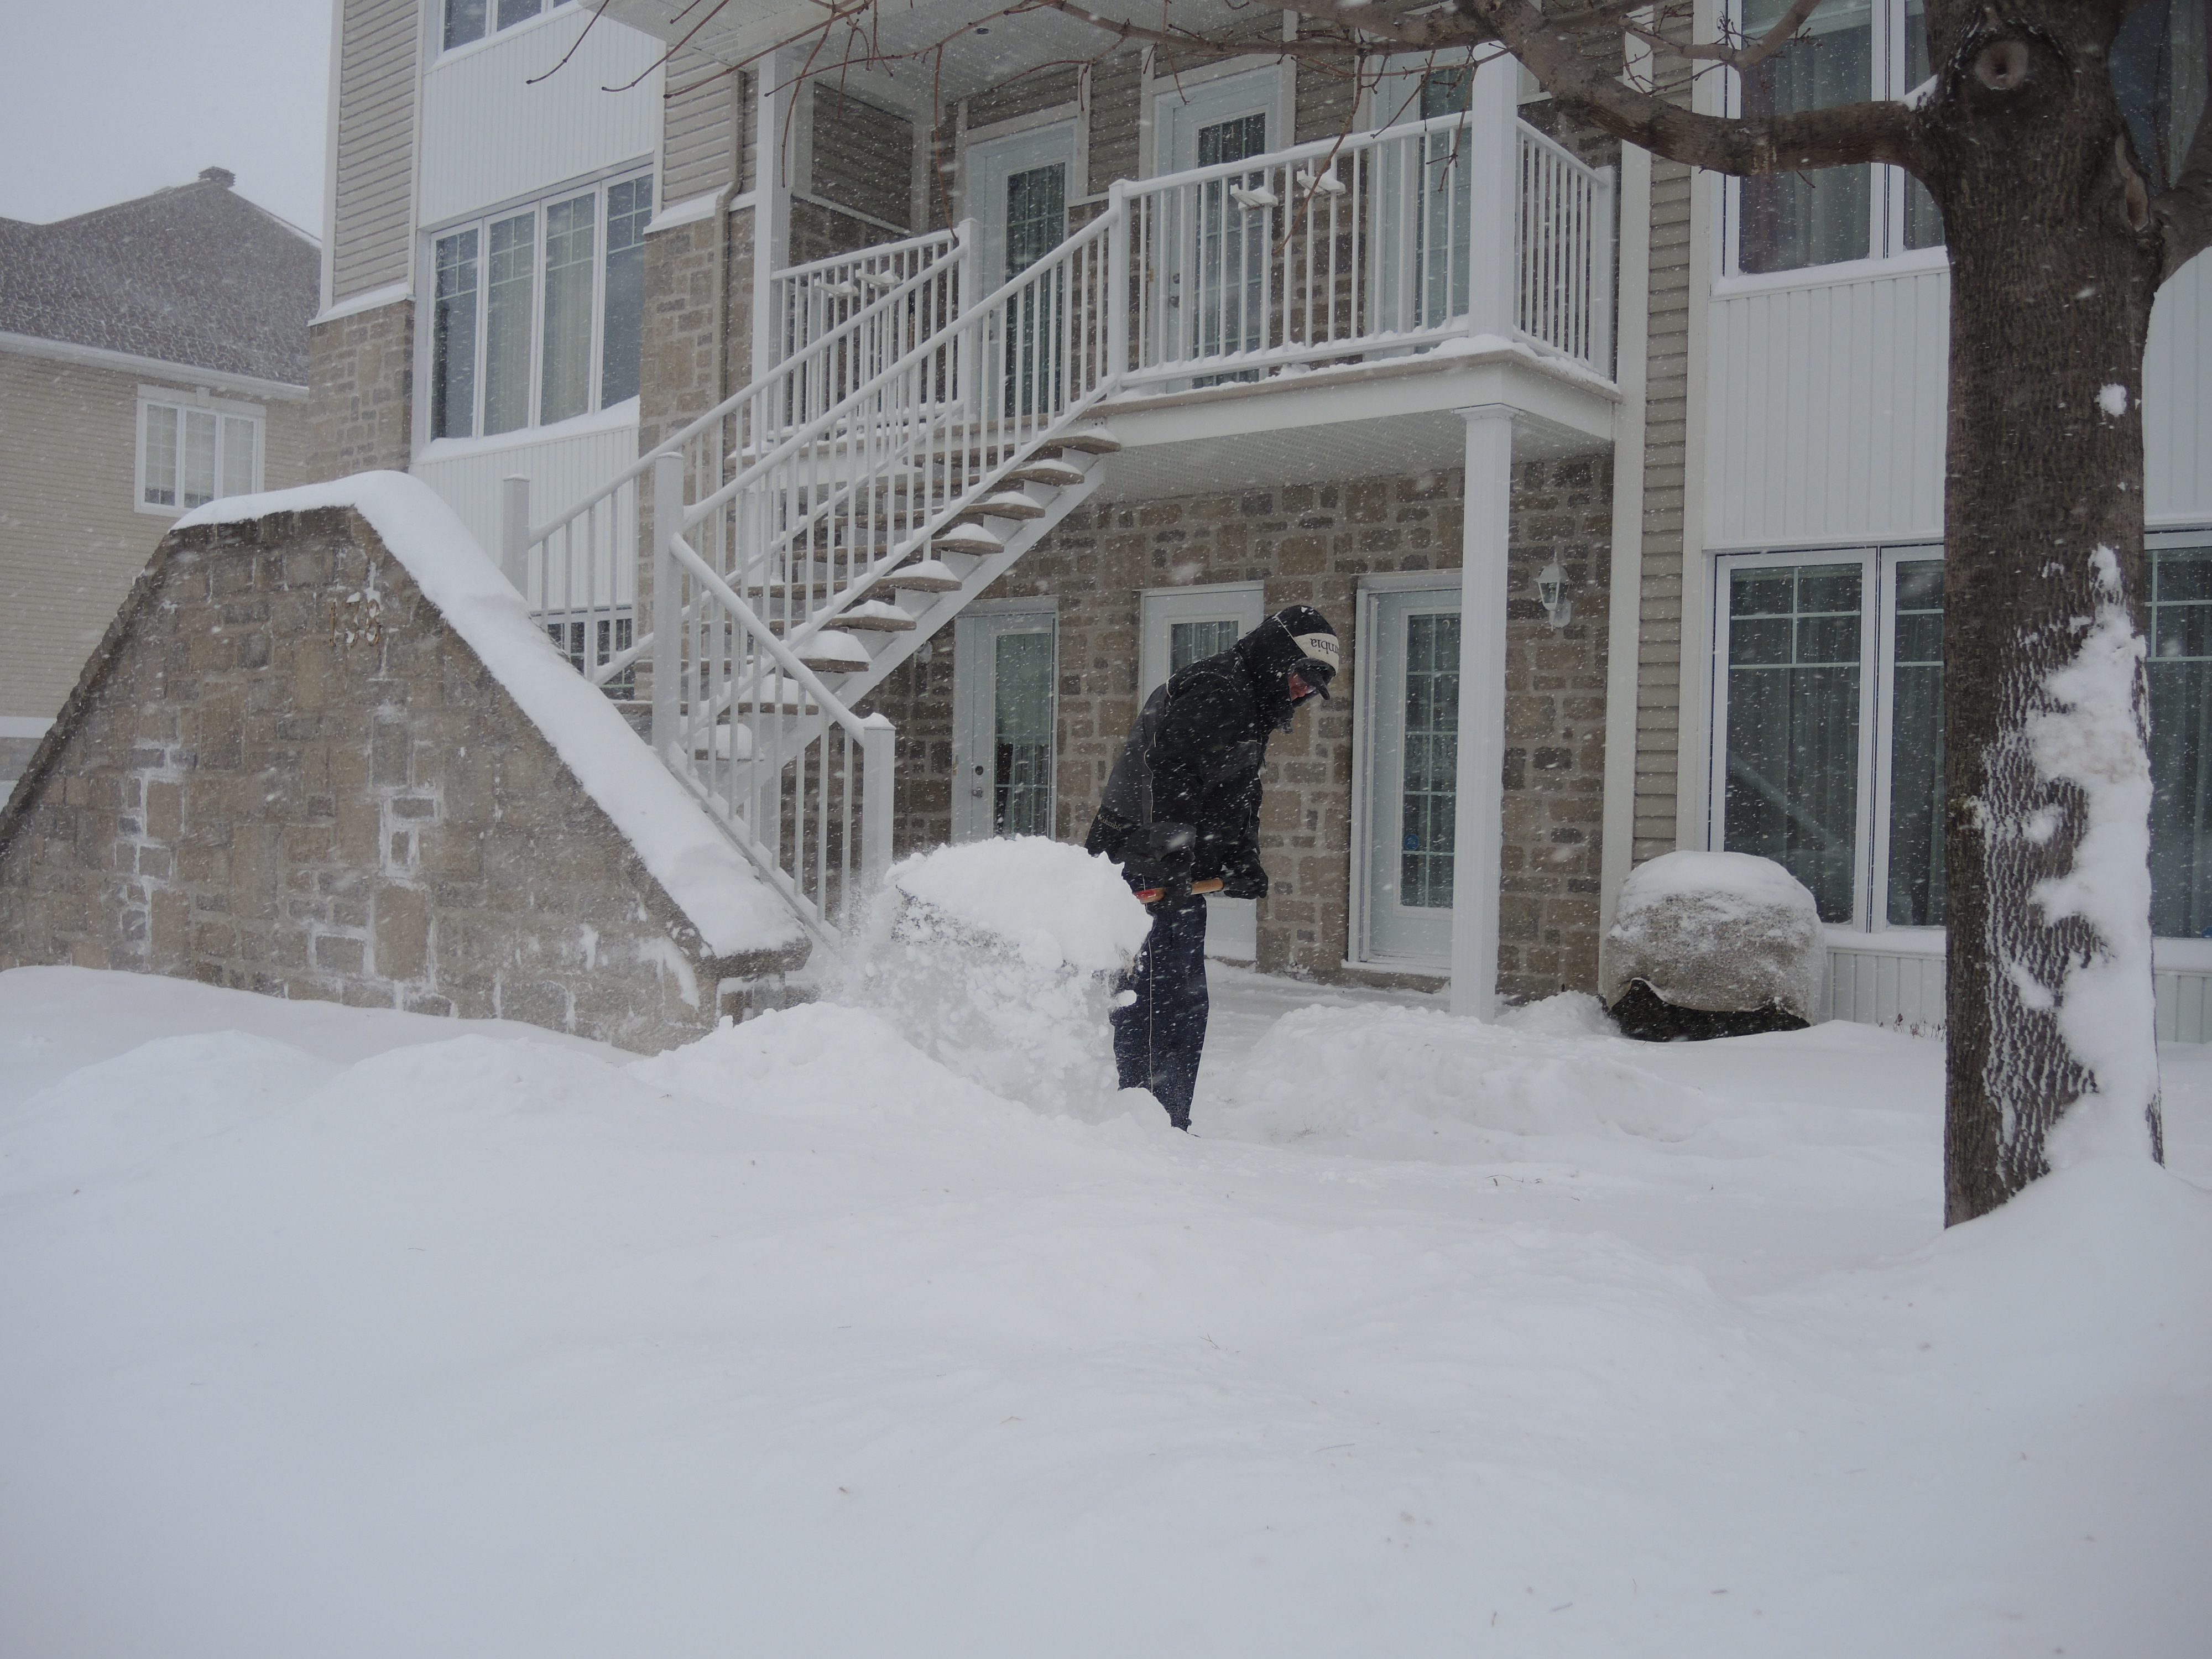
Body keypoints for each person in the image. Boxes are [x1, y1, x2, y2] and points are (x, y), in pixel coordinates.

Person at [1085, 606, 1341, 1129]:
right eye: (1301, 677)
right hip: (1142, 859)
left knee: (1183, 1002)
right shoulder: (1217, 686)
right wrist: (1175, 854)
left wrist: (1241, 856)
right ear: (1277, 656)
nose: (1302, 693)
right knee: (1154, 1000)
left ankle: (1167, 1121)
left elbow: (1238, 790)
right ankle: (1145, 1122)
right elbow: (1170, 767)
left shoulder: (1251, 701)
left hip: (1173, 869)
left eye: (1311, 687)